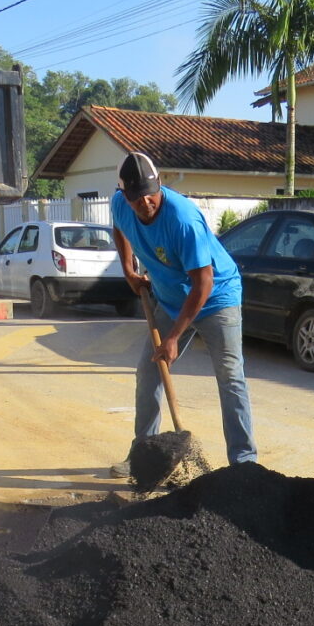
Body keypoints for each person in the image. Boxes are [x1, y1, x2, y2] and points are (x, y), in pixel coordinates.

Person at [109, 151, 257, 474]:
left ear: (159, 184)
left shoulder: (182, 219)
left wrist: (174, 335)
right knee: (149, 372)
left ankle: (244, 465)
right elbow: (119, 229)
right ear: (124, 195)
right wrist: (128, 270)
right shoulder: (120, 205)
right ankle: (144, 457)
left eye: (150, 194)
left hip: (216, 297)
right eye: (137, 199)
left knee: (230, 377)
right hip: (171, 298)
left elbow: (203, 283)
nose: (145, 203)